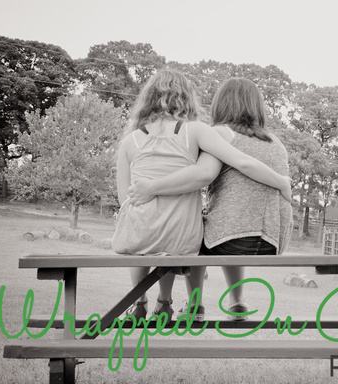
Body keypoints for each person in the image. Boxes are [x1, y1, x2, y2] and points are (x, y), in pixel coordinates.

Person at [114, 70, 291, 323]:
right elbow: (232, 165)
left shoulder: (132, 141)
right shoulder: (271, 141)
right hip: (264, 241)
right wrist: (283, 183)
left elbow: (126, 202)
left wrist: (150, 188)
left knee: (180, 230)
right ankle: (218, 301)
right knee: (195, 233)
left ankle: (155, 303)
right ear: (187, 99)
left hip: (147, 236)